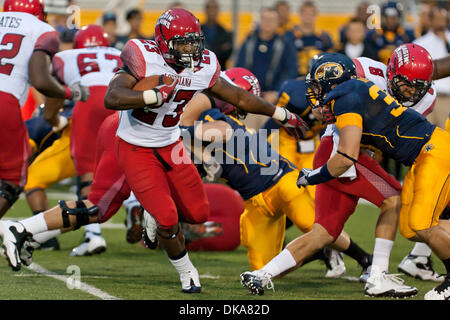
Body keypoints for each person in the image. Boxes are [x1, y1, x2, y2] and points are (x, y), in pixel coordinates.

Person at [0, 9, 308, 293]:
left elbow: (239, 96)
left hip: (168, 141)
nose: (192, 51)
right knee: (115, 208)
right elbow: (113, 96)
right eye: (183, 45)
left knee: (194, 212)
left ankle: (26, 228)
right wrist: (149, 96)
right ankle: (184, 268)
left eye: (194, 43)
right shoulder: (142, 55)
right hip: (130, 138)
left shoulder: (204, 65)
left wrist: (282, 114)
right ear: (163, 42)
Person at [241, 52, 450, 300]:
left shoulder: (346, 96)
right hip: (340, 153)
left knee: (325, 232)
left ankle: (262, 274)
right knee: (395, 202)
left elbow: (348, 152)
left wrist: (314, 176)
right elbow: (349, 152)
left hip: (337, 153)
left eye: (318, 86)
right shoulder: (357, 85)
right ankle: (379, 275)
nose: (314, 92)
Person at [179, 66, 372, 276]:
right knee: (265, 270)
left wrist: (180, 135)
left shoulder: (213, 119)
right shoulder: (205, 114)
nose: (243, 105)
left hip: (281, 180)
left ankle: (365, 259)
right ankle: (318, 253)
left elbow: (222, 131)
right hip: (254, 200)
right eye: (243, 98)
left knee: (313, 225)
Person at [353, 44, 443, 282]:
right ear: (390, 72)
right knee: (405, 220)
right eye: (406, 83)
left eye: (419, 87)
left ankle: (385, 269)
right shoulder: (367, 72)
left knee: (419, 217)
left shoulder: (427, 97)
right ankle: (395, 266)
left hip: (402, 153)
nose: (411, 92)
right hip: (348, 147)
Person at [0, 0, 88, 222]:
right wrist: (70, 93)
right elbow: (42, 80)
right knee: (12, 179)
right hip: (4, 100)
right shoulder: (43, 30)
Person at [43, 24, 122, 256]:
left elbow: (54, 94)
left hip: (88, 99)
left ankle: (93, 235)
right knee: (127, 165)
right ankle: (135, 208)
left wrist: (53, 119)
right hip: (117, 100)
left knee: (88, 172)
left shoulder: (65, 56)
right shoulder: (119, 54)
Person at [235, 6, 299, 105]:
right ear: (260, 20)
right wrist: (245, 89)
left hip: (274, 100)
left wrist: (277, 92)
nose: (268, 22)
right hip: (248, 97)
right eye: (265, 19)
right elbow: (239, 67)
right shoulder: (249, 42)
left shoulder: (285, 44)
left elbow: (291, 71)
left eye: (272, 20)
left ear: (278, 22)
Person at [414, 6, 450, 130]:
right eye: (437, 19)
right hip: (427, 97)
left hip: (447, 97)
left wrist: (446, 43)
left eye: (443, 19)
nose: (441, 22)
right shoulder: (420, 43)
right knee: (425, 135)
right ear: (431, 21)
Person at [285, 1, 334, 76]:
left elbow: (331, 61)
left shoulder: (324, 37)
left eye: (311, 14)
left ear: (316, 15)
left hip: (318, 79)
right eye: (305, 13)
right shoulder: (290, 35)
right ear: (300, 14)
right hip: (294, 78)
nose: (308, 16)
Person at [200, 0, 233, 70]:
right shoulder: (198, 31)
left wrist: (206, 53)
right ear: (206, 10)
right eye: (209, 8)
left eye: (214, 8)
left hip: (219, 73)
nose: (212, 11)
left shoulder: (225, 33)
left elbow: (225, 55)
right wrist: (218, 49)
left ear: (218, 10)